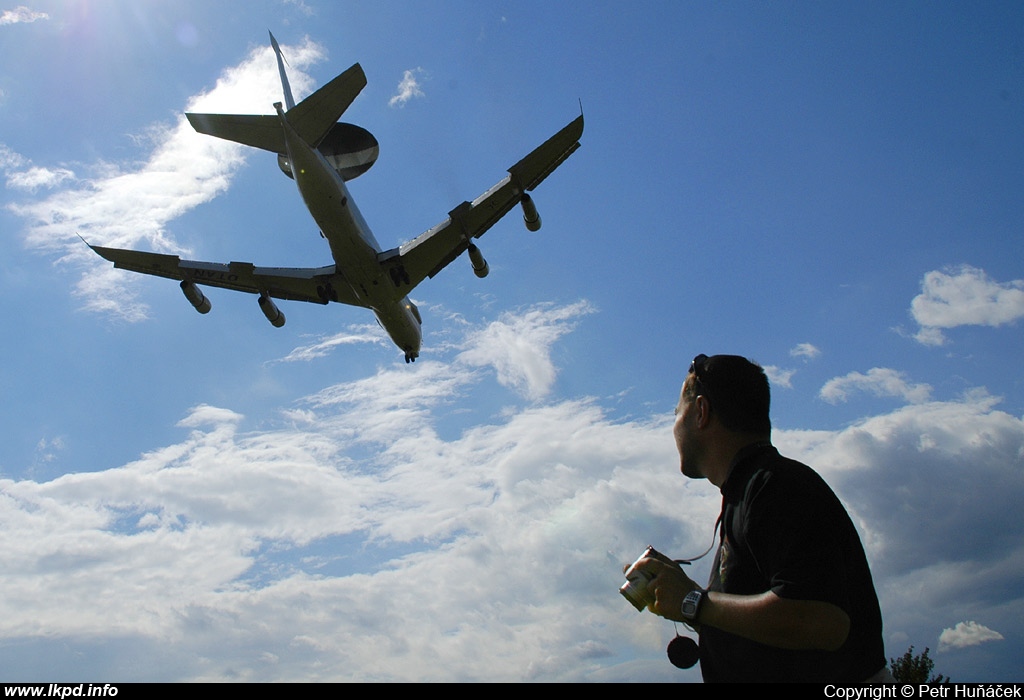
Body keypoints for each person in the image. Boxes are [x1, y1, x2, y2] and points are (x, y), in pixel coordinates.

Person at [635, 354, 890, 682]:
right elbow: (770, 626)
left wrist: (693, 601)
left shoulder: (776, 485)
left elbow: (822, 620)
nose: (674, 426)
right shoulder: (753, 493)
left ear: (701, 411)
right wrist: (685, 600)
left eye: (677, 413)